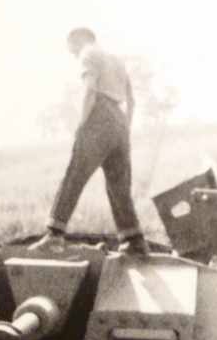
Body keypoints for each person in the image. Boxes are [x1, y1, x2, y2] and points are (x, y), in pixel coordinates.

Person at [30, 27, 149, 256]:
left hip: (100, 115)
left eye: (71, 49)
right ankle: (134, 240)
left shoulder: (88, 54)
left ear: (77, 40)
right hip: (120, 120)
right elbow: (132, 100)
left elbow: (90, 90)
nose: (73, 54)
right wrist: (125, 128)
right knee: (119, 186)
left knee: (75, 174)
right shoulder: (117, 60)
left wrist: (82, 124)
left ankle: (54, 235)